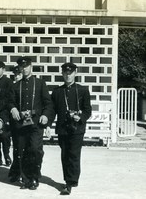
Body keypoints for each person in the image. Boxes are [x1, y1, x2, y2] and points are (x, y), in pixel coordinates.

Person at [9, 56, 54, 190]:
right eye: (22, 67)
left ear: (31, 67)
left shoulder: (40, 83)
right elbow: (10, 101)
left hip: (35, 123)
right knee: (22, 151)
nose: (24, 69)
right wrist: (13, 108)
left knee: (35, 149)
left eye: (27, 66)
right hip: (21, 124)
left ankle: (34, 176)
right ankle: (27, 179)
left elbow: (48, 103)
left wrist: (46, 115)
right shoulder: (16, 85)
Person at [50, 62, 92, 195]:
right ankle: (70, 179)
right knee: (65, 155)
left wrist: (81, 118)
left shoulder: (83, 90)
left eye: (71, 73)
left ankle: (70, 182)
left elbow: (88, 110)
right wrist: (47, 125)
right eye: (65, 73)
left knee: (73, 154)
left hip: (77, 129)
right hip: (62, 128)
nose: (68, 76)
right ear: (62, 74)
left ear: (75, 73)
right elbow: (52, 110)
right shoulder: (57, 92)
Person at [8, 64, 23, 182]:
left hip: (28, 122)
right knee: (17, 147)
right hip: (15, 122)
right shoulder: (13, 87)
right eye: (15, 74)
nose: (17, 76)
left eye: (19, 74)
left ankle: (24, 172)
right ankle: (15, 171)